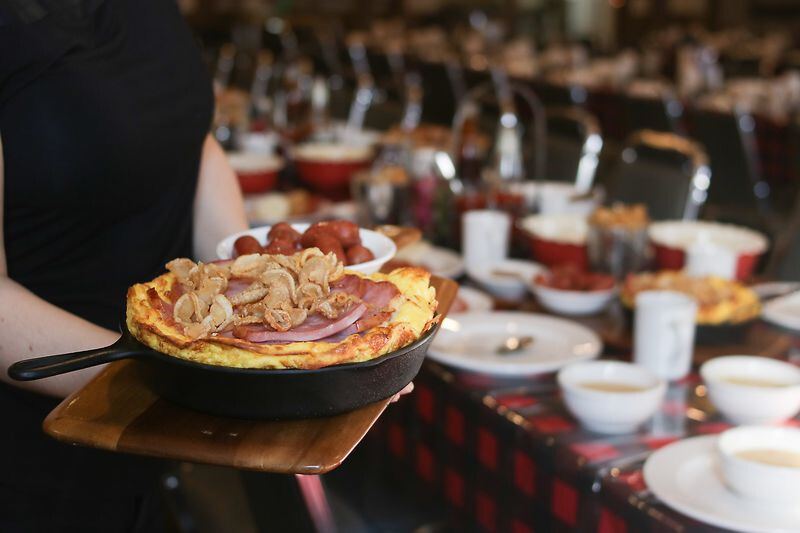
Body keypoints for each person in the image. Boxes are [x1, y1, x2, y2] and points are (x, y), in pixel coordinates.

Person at [0, 0, 248, 530]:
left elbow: (187, 139)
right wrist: (174, 380)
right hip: (34, 459)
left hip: (147, 436)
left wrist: (252, 284)